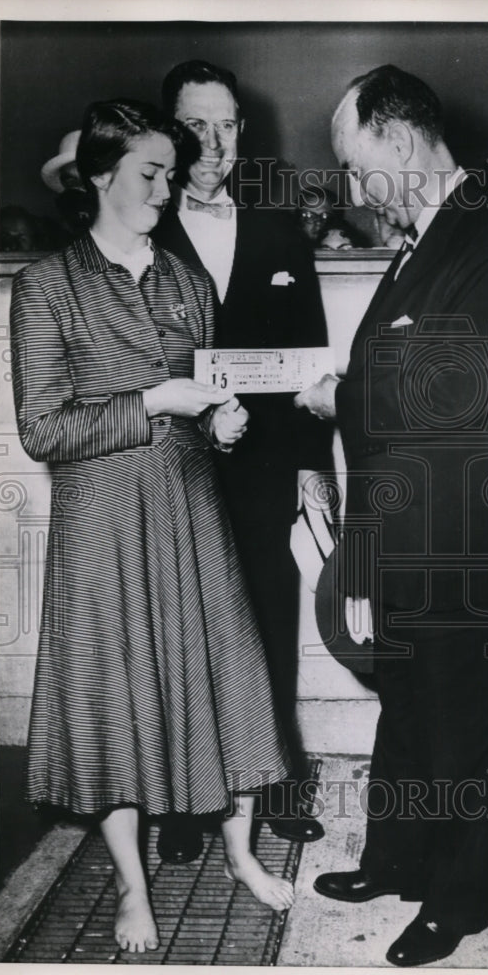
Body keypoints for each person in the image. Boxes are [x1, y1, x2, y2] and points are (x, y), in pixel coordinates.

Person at [10, 98, 296, 953]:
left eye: (171, 174)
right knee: (115, 696)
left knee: (232, 680)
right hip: (102, 521)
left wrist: (220, 424)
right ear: (100, 175)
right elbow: (42, 431)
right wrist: (154, 401)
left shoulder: (186, 283)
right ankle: (133, 887)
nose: (168, 191)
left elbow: (203, 408)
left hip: (192, 508)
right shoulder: (47, 286)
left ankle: (240, 855)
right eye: (150, 173)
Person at [295, 65, 488, 967]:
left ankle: (457, 902)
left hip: (464, 536)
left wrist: (341, 397)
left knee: (467, 721)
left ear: (399, 141)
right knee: (406, 705)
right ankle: (395, 861)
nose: (357, 190)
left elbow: (452, 389)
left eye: (355, 165)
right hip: (408, 526)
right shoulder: (426, 240)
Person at [153, 60, 332, 860]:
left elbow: (308, 360)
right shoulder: (142, 229)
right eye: (195, 125)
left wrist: (310, 474)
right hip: (176, 465)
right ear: (168, 132)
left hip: (263, 467)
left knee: (269, 618)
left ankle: (280, 785)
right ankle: (186, 804)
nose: (214, 143)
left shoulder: (277, 226)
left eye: (226, 125)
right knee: (185, 627)